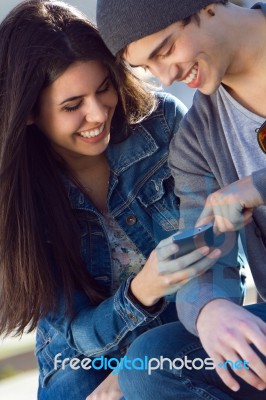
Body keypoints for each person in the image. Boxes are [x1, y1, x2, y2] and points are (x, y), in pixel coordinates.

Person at [0, 1, 223, 399]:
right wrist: (143, 288)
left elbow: (221, 247)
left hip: (181, 328)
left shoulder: (163, 125)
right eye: (72, 106)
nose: (98, 114)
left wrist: (135, 367)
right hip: (80, 356)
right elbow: (75, 332)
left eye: (104, 88)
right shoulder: (17, 197)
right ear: (29, 113)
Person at [97, 0, 266, 399]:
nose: (166, 76)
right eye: (147, 67)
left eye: (166, 49)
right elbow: (202, 249)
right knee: (153, 361)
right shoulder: (196, 139)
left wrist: (255, 186)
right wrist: (209, 309)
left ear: (208, 6)